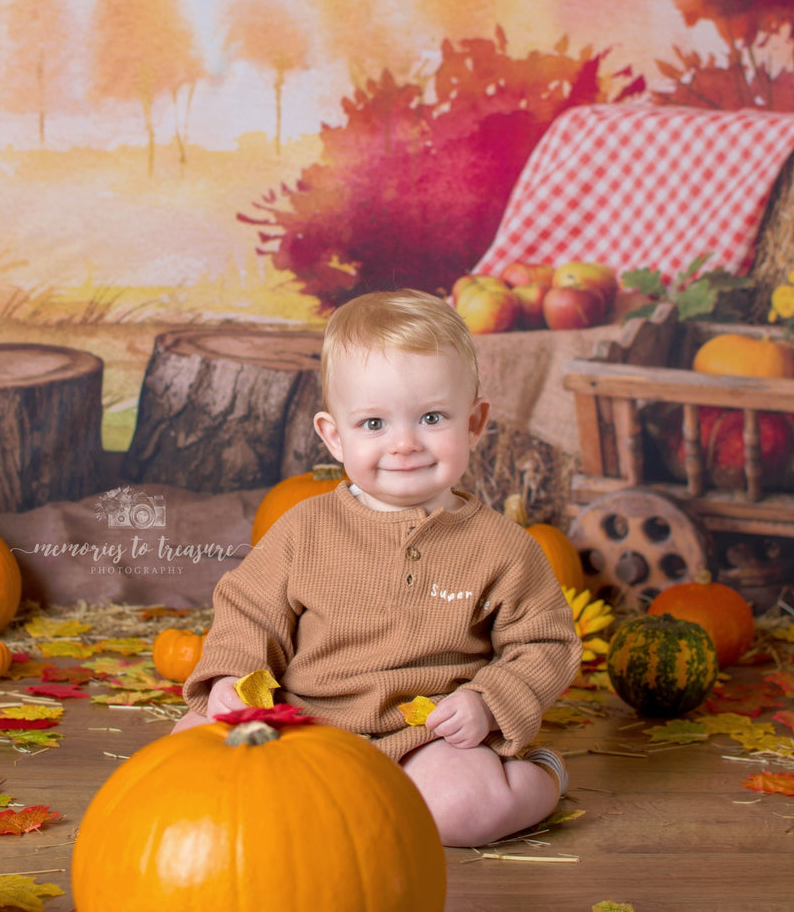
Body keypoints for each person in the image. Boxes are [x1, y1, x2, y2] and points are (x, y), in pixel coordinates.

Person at [174, 287, 582, 847]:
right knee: (185, 754)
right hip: (302, 723)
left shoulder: (504, 548)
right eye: (373, 424)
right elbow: (249, 612)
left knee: (460, 811)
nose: (405, 444)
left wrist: (488, 703)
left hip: (426, 734)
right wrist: (231, 679)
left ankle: (536, 778)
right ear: (334, 436)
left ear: (474, 423)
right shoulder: (303, 529)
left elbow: (546, 643)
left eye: (432, 417)